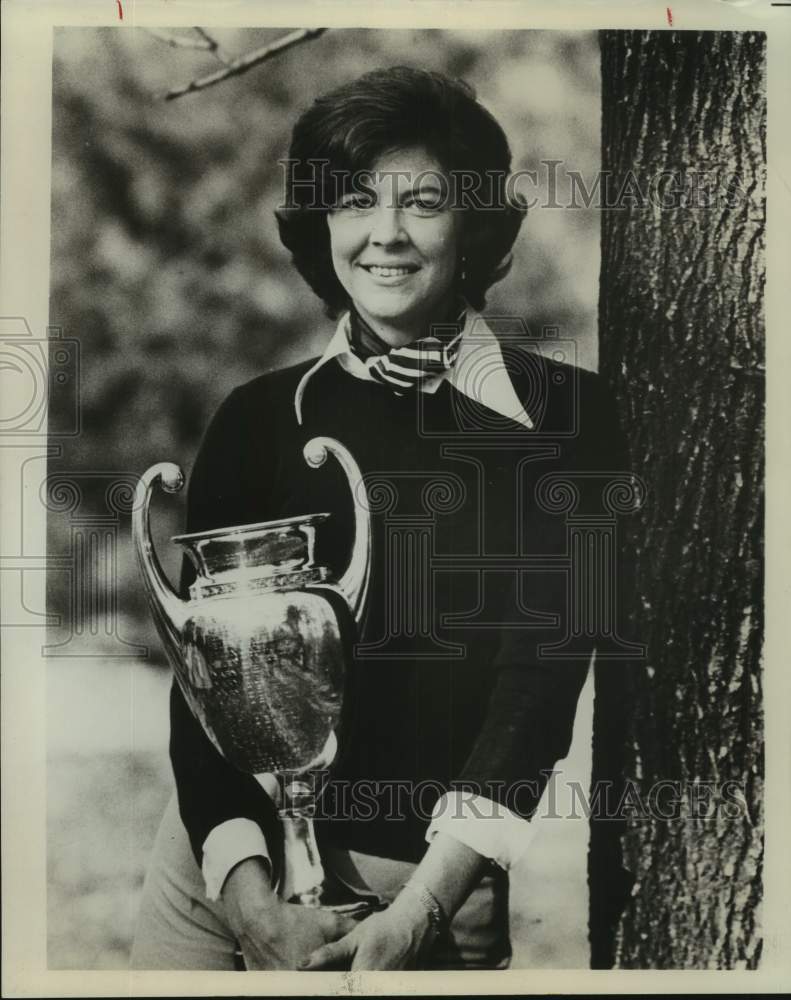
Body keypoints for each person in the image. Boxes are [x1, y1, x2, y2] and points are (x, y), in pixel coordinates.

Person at [131, 65, 635, 972]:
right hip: (216, 871)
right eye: (356, 201)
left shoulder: (571, 419)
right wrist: (246, 896)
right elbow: (201, 682)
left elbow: (538, 688)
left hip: (421, 885)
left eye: (424, 203)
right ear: (320, 224)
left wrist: (428, 907)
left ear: (474, 225)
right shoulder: (256, 417)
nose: (386, 235)